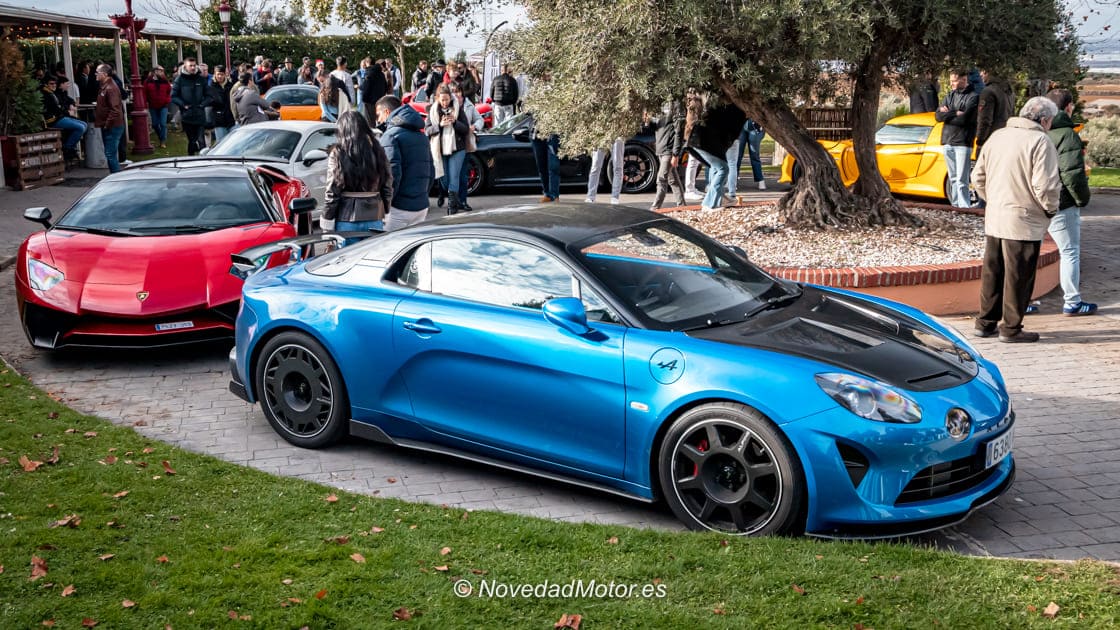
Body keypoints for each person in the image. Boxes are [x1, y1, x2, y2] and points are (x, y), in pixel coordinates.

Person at [972, 97, 1061, 343]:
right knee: (1018, 277)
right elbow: (1046, 186)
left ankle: (985, 322)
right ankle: (1011, 328)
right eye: (1050, 121)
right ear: (1043, 120)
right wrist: (1050, 209)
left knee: (993, 272)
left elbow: (977, 176)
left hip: (996, 215)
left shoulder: (998, 136)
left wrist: (992, 199)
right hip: (1024, 219)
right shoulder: (1040, 141)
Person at [1043, 88, 1095, 317]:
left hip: (1035, 200)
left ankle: (1023, 300)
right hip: (1061, 201)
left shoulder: (1037, 131)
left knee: (1030, 253)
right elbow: (1072, 174)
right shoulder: (1067, 134)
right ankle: (1072, 301)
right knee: (1069, 251)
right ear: (1068, 107)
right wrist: (1082, 199)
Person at [321, 110, 392, 237]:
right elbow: (387, 184)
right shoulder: (378, 150)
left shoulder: (338, 153)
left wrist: (327, 220)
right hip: (375, 216)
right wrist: (386, 211)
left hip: (346, 218)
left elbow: (332, 190)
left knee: (347, 256)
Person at [376, 95, 433, 231]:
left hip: (399, 207)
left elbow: (392, 175)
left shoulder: (390, 136)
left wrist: (384, 204)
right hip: (421, 206)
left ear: (387, 112)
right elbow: (431, 171)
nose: (378, 120)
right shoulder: (421, 136)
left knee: (386, 248)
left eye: (378, 115)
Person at [686, 98, 746, 212]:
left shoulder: (723, 109)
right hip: (703, 142)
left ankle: (716, 200)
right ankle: (710, 204)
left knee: (716, 168)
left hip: (699, 140)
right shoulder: (736, 114)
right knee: (723, 169)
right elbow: (729, 135)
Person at [935, 69, 979, 208]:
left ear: (963, 80)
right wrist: (955, 113)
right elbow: (938, 116)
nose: (951, 83)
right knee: (953, 177)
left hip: (963, 142)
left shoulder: (973, 97)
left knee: (961, 178)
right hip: (948, 140)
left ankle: (964, 206)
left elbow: (965, 119)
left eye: (954, 81)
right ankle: (955, 205)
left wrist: (948, 114)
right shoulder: (949, 95)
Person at [426, 85, 471, 214]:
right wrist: (439, 126)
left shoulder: (458, 108)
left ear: (451, 98)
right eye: (442, 100)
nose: (445, 103)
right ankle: (447, 194)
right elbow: (427, 130)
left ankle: (452, 207)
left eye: (447, 99)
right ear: (438, 99)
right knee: (444, 179)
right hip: (440, 149)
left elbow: (466, 129)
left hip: (457, 148)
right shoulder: (433, 110)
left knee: (454, 177)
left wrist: (455, 123)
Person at [450, 82, 484, 211]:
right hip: (451, 143)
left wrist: (474, 127)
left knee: (463, 174)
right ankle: (449, 198)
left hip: (465, 143)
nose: (457, 94)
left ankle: (462, 201)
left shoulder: (469, 105)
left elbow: (479, 119)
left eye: (459, 91)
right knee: (451, 175)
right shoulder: (448, 105)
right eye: (454, 91)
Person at [649, 99, 686, 211]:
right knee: (673, 179)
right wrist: (648, 121)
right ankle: (682, 206)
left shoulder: (676, 105)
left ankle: (655, 207)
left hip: (669, 150)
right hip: (661, 148)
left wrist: (675, 154)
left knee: (661, 179)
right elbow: (657, 127)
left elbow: (679, 131)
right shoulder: (659, 105)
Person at [171, 57, 212, 155]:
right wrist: (183, 105)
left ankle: (204, 161)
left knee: (201, 141)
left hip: (200, 115)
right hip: (187, 116)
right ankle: (191, 159)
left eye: (194, 65)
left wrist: (202, 105)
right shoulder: (180, 79)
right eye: (191, 66)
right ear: (185, 66)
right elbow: (173, 96)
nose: (193, 68)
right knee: (192, 142)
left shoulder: (201, 79)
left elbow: (209, 96)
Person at [42, 76, 87, 161]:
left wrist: (69, 107)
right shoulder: (47, 95)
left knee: (84, 124)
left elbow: (63, 104)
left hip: (59, 117)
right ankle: (67, 148)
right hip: (53, 120)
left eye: (55, 83)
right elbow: (56, 109)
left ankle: (70, 147)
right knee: (80, 127)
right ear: (46, 84)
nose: (54, 85)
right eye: (51, 83)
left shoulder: (52, 93)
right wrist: (67, 112)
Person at [93, 64, 125, 173]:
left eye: (97, 72)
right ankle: (115, 175)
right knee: (110, 153)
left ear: (104, 74)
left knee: (110, 153)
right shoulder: (105, 86)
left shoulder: (110, 88)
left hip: (112, 126)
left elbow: (115, 109)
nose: (95, 74)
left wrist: (107, 124)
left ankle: (116, 176)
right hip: (110, 125)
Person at [975, 69, 1015, 151]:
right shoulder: (1009, 92)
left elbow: (985, 119)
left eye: (983, 72)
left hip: (990, 139)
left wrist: (980, 140)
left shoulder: (988, 91)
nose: (981, 75)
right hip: (1005, 136)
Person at [586, 138, 624, 204]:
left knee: (618, 167)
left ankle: (615, 197)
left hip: (617, 135)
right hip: (600, 135)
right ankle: (590, 197)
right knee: (595, 167)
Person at [143, 66, 171, 148]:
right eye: (160, 71)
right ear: (155, 72)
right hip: (153, 106)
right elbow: (144, 93)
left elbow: (169, 92)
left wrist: (167, 100)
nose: (162, 73)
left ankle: (163, 141)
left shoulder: (165, 81)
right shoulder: (148, 81)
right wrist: (145, 104)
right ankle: (160, 136)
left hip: (163, 106)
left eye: (162, 71)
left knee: (163, 124)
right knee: (155, 124)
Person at [208, 65, 237, 142]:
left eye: (221, 74)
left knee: (233, 142)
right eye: (218, 74)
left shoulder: (230, 85)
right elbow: (209, 100)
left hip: (231, 118)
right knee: (221, 142)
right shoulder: (211, 86)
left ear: (225, 74)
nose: (220, 76)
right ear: (215, 74)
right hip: (219, 119)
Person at [359, 59, 389, 125]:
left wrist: (364, 99)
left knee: (370, 123)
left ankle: (372, 135)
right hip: (379, 101)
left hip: (370, 102)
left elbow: (366, 87)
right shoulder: (382, 74)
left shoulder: (369, 73)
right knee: (380, 120)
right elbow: (385, 87)